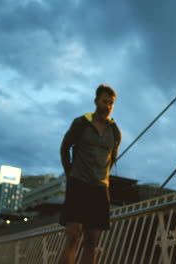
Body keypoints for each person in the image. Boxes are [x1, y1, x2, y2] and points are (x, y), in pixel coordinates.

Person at [59, 84, 122, 264]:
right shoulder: (80, 123)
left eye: (111, 103)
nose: (108, 106)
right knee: (73, 236)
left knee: (92, 242)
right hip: (78, 184)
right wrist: (70, 173)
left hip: (100, 189)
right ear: (96, 102)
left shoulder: (115, 132)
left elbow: (112, 159)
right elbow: (65, 148)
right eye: (105, 101)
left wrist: (101, 176)